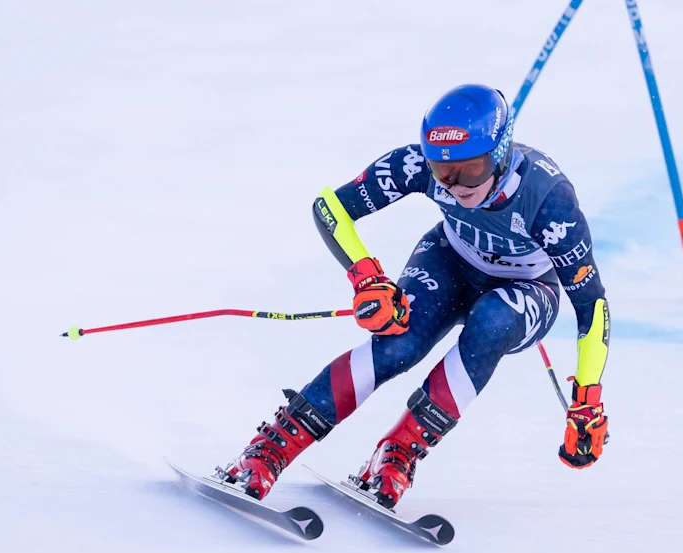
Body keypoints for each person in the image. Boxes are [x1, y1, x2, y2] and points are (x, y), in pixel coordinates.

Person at [217, 84, 611, 508]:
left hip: (528, 287)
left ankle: (399, 450)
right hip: (451, 260)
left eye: (471, 170)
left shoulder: (549, 199)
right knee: (399, 343)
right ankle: (272, 447)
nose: (456, 184)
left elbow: (592, 305)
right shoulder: (421, 164)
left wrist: (586, 397)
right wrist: (368, 280)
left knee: (492, 321)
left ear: (499, 154)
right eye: (443, 172)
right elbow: (330, 207)